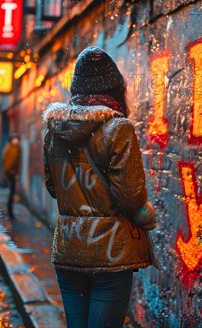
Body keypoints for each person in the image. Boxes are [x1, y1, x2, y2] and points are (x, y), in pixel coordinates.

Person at [42, 46, 157, 327]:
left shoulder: (55, 129)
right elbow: (130, 197)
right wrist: (146, 212)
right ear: (115, 88)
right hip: (111, 254)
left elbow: (53, 187)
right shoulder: (119, 129)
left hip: (69, 248)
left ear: (76, 88)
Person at [2, 134, 21, 218]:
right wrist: (12, 172)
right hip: (10, 173)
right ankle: (10, 213)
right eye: (14, 139)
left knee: (12, 193)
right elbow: (9, 163)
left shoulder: (17, 148)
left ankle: (10, 212)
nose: (16, 141)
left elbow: (17, 163)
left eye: (17, 139)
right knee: (11, 193)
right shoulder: (11, 149)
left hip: (12, 173)